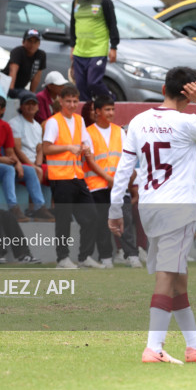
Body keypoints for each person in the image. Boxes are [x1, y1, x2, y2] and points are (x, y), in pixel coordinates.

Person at [109, 67, 196, 364]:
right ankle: (154, 347)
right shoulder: (188, 122)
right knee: (166, 277)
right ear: (190, 92)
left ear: (163, 89)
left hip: (150, 208)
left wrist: (114, 208)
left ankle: (194, 346)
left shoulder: (138, 121)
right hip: (178, 209)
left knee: (178, 280)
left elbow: (124, 168)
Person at [43, 84, 104, 269]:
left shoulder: (79, 120)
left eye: (75, 101)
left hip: (77, 176)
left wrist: (86, 149)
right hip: (60, 178)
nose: (71, 104)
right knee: (63, 220)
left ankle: (84, 256)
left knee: (92, 216)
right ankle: (62, 258)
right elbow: (46, 147)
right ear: (60, 101)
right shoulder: (54, 121)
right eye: (68, 101)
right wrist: (69, 147)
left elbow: (86, 143)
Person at [82, 95, 125, 269]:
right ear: (97, 111)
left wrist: (118, 180)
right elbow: (91, 160)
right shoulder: (88, 132)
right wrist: (108, 178)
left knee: (120, 220)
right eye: (107, 109)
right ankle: (106, 257)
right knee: (101, 221)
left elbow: (124, 158)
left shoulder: (119, 131)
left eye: (112, 109)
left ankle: (125, 254)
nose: (111, 113)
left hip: (116, 185)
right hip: (96, 186)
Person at [70, 0, 119, 101]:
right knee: (80, 86)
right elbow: (72, 24)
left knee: (93, 82)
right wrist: (72, 46)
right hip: (80, 50)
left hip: (97, 49)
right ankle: (88, 112)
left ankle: (110, 99)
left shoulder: (104, 0)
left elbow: (112, 24)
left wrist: (114, 46)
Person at [8, 91, 48, 191]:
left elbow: (39, 150)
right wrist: (33, 166)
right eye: (27, 104)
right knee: (37, 171)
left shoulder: (38, 126)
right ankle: (34, 206)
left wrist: (37, 165)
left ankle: (54, 205)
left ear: (38, 107)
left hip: (34, 163)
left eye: (33, 104)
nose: (31, 106)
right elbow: (17, 149)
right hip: (20, 163)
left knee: (56, 172)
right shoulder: (14, 123)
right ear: (21, 106)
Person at [2, 29, 46, 97]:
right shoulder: (18, 52)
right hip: (5, 84)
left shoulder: (41, 55)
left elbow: (36, 77)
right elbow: (13, 72)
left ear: (39, 44)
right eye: (29, 41)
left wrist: (32, 94)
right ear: (23, 42)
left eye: (35, 42)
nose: (32, 44)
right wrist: (10, 93)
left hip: (21, 88)